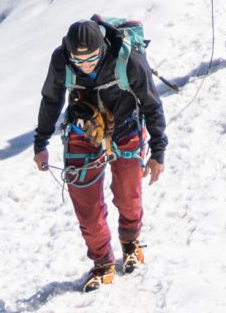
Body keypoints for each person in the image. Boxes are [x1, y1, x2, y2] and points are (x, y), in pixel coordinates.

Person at [33, 16, 167, 289]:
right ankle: (103, 261)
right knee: (87, 206)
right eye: (78, 61)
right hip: (83, 130)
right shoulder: (61, 61)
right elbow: (51, 98)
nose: (84, 65)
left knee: (128, 195)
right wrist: (40, 142)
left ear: (102, 49)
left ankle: (130, 241)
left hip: (126, 125)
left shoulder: (127, 59)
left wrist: (158, 151)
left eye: (91, 58)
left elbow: (150, 101)